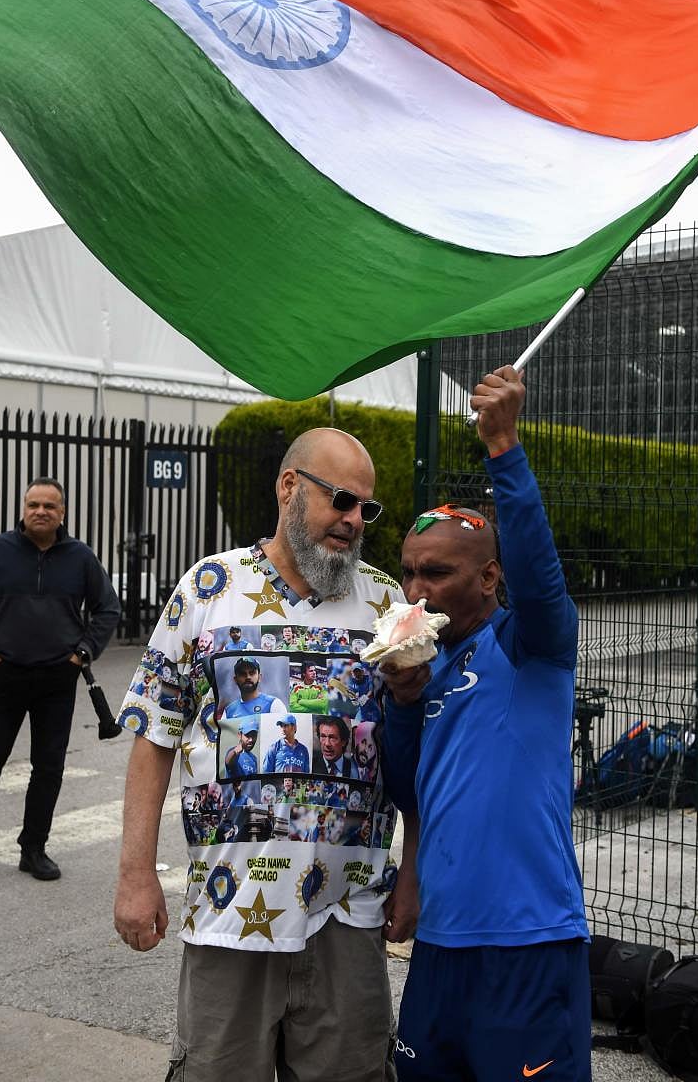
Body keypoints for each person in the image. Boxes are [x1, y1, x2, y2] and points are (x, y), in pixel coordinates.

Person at [113, 427, 419, 1082]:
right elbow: (154, 735)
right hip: (231, 913)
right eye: (341, 500)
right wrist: (136, 874)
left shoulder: (387, 604)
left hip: (349, 912)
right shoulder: (208, 589)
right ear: (289, 487)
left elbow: (414, 751)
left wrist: (413, 872)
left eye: (367, 508)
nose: (353, 520)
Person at [381, 366, 591, 1082]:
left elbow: (540, 571)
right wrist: (402, 706)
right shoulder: (422, 665)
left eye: (436, 573)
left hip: (528, 941)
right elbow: (407, 788)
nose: (416, 590)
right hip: (441, 945)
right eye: (408, 571)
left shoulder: (533, 645)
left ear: (490, 579)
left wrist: (504, 446)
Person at [0, 477, 120, 882]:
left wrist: (81, 654)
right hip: (3, 677)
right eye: (33, 504)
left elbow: (107, 609)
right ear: (23, 509)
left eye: (49, 506)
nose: (40, 512)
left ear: (62, 513)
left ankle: (33, 849)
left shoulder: (80, 557)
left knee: (48, 767)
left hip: (58, 678)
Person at [222, 656, 287, 718]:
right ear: (235, 680)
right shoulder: (229, 711)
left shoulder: (274, 704)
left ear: (259, 677)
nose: (248, 677)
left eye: (252, 673)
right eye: (242, 674)